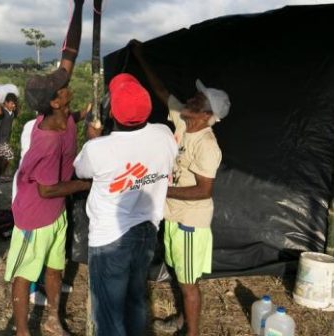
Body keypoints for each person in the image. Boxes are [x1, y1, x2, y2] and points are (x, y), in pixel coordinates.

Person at [130, 40, 231, 336]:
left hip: (189, 223)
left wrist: (162, 189)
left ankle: (192, 332)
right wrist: (140, 57)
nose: (190, 100)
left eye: (197, 101)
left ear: (206, 114)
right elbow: (161, 92)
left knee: (188, 284)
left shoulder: (207, 145)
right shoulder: (185, 123)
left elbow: (203, 191)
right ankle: (185, 320)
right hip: (175, 216)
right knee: (180, 275)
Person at [5, 1, 90, 334]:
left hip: (55, 213)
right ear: (55, 100)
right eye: (61, 83)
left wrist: (80, 5)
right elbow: (47, 188)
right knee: (25, 274)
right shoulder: (46, 139)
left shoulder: (61, 114)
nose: (66, 79)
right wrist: (87, 184)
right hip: (36, 214)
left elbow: (70, 52)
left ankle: (54, 319)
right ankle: (24, 331)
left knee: (55, 267)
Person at [73, 73, 178, 335]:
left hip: (111, 239)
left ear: (113, 113)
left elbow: (81, 171)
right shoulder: (165, 134)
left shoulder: (98, 149)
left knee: (109, 316)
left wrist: (92, 137)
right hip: (147, 231)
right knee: (135, 300)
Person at [0, 91, 19, 177]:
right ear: (5, 103)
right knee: (9, 156)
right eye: (11, 103)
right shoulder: (2, 111)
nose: (13, 105)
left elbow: (17, 110)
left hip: (5, 139)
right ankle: (1, 174)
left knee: (0, 158)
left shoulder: (12, 113)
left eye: (14, 104)